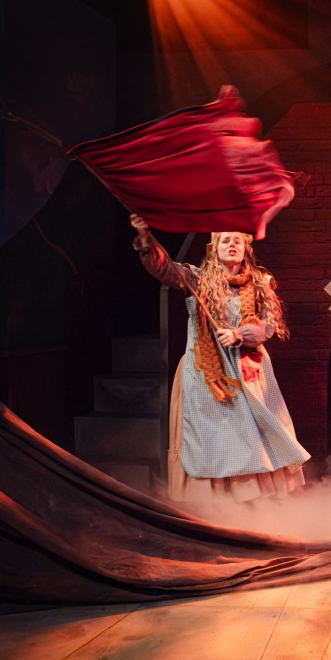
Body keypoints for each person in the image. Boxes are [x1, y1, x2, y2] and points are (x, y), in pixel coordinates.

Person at [130, 216, 310, 507]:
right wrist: (145, 237)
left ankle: (253, 502)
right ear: (214, 248)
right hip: (206, 372)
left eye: (237, 240)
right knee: (211, 438)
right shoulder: (198, 279)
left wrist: (240, 335)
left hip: (249, 371)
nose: (231, 244)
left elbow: (268, 326)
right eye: (225, 240)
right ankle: (211, 505)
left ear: (246, 248)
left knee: (253, 437)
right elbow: (164, 269)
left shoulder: (260, 284)